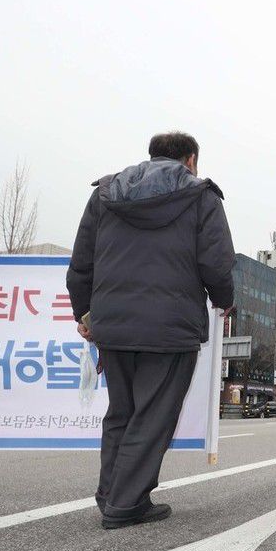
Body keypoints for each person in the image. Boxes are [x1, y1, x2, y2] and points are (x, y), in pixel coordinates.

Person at [67, 131, 236, 529]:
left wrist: (86, 314)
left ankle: (111, 494)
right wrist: (223, 300)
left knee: (121, 412)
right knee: (153, 415)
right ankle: (126, 503)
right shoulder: (201, 197)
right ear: (191, 160)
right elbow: (216, 263)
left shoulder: (106, 195)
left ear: (152, 155)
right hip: (170, 328)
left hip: (113, 326)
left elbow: (81, 265)